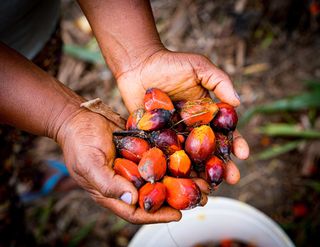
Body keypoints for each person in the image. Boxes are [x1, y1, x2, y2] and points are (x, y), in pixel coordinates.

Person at [0, 0, 249, 224]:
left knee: (21, 142)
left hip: (33, 31)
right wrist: (62, 119)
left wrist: (139, 57)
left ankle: (29, 171)